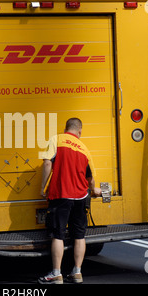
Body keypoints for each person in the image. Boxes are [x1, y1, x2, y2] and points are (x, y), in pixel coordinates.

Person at [38, 118, 101, 284]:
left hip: (61, 195)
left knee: (58, 235)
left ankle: (56, 273)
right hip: (81, 196)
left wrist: (43, 187)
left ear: (66, 128)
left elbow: (46, 164)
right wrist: (94, 190)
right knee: (79, 236)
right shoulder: (84, 149)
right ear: (79, 131)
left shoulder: (57, 139)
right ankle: (77, 272)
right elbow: (91, 179)